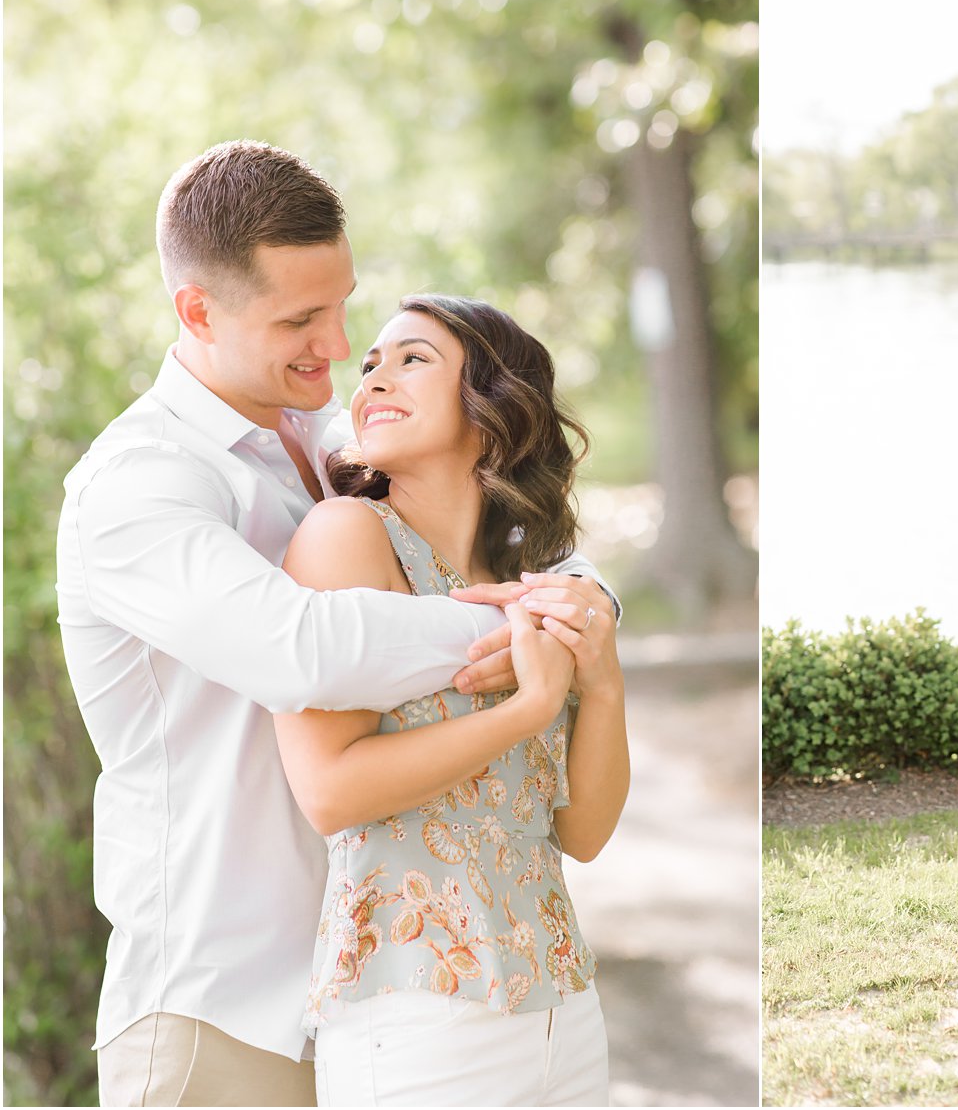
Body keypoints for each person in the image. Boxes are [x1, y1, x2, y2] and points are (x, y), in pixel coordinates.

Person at [56, 140, 617, 1106]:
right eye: (301, 318)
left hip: (368, 985)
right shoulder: (141, 484)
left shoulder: (325, 443)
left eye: (343, 304)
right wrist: (524, 636)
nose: (337, 344)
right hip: (216, 1008)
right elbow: (303, 649)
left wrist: (586, 612)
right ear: (197, 310)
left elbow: (513, 535)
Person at [271, 295, 628, 1106]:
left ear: (493, 409)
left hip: (563, 1008)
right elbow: (330, 791)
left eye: (412, 359)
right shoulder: (346, 535)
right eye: (370, 364)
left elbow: (584, 831)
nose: (372, 380)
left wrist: (599, 682)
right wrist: (524, 711)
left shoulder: (528, 580)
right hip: (417, 1008)